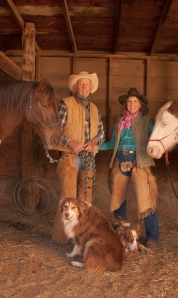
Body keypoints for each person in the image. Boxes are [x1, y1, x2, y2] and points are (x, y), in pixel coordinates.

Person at [99, 87, 159, 249]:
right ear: (126, 104)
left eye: (135, 101)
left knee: (146, 201)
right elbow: (113, 143)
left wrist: (145, 157)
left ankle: (152, 236)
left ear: (140, 104)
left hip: (139, 162)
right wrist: (95, 147)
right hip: (121, 160)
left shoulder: (147, 121)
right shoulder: (120, 122)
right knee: (118, 199)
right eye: (129, 101)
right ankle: (120, 234)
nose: (132, 104)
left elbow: (153, 141)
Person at [51, 71, 105, 245]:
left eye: (86, 84)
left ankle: (82, 235)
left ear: (91, 88)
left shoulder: (95, 109)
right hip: (69, 156)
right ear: (75, 87)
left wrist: (95, 141)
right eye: (80, 84)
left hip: (88, 157)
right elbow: (56, 129)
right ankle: (61, 238)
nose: (84, 87)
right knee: (67, 197)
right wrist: (70, 142)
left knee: (85, 198)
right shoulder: (65, 104)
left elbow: (102, 134)